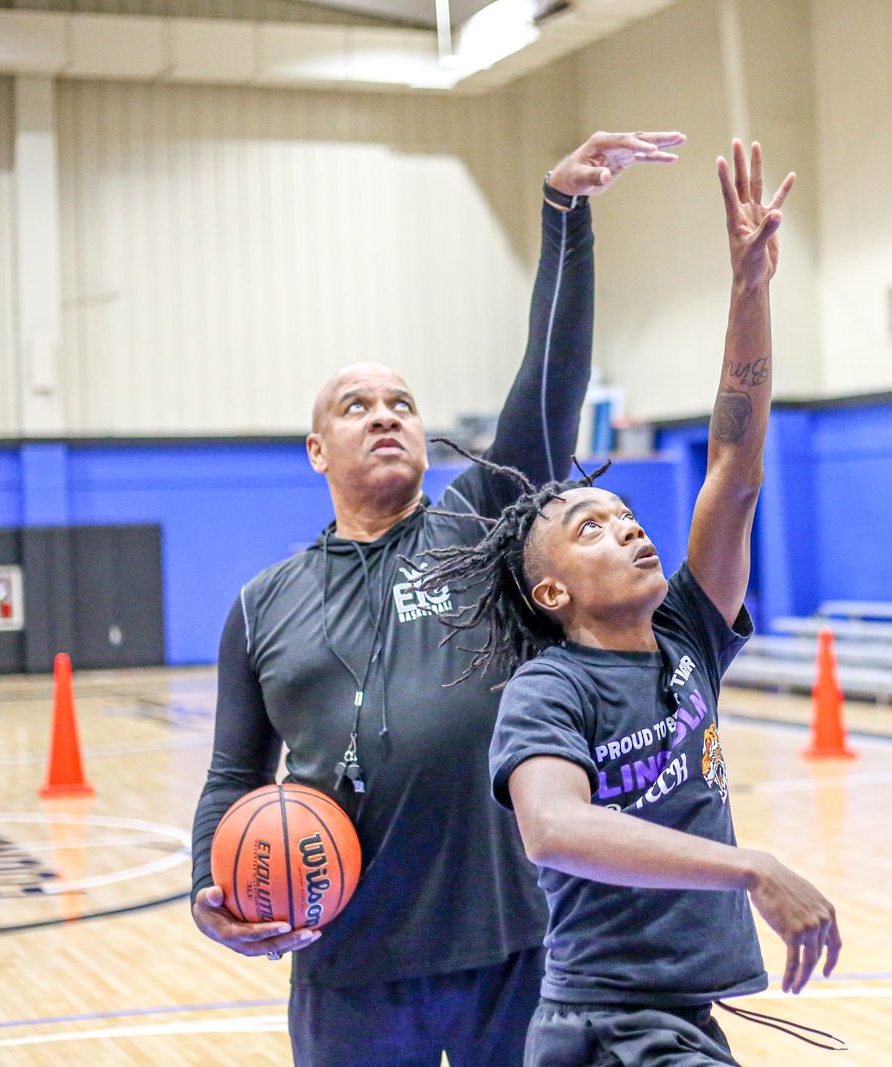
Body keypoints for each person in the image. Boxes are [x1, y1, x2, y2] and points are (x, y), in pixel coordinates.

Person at [188, 129, 686, 1067]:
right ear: (317, 450)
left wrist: (564, 216)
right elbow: (232, 779)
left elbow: (550, 385)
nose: (385, 414)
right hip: (350, 963)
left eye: (403, 403)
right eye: (357, 406)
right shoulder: (261, 605)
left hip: (519, 950)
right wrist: (207, 887)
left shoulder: (483, 529)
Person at [417, 140, 842, 1066]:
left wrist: (750, 285)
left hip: (679, 1012)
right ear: (552, 589)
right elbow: (553, 826)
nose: (631, 528)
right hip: (607, 1026)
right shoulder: (550, 692)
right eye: (593, 526)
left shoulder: (687, 637)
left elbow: (733, 468)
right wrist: (749, 864)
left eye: (627, 513)